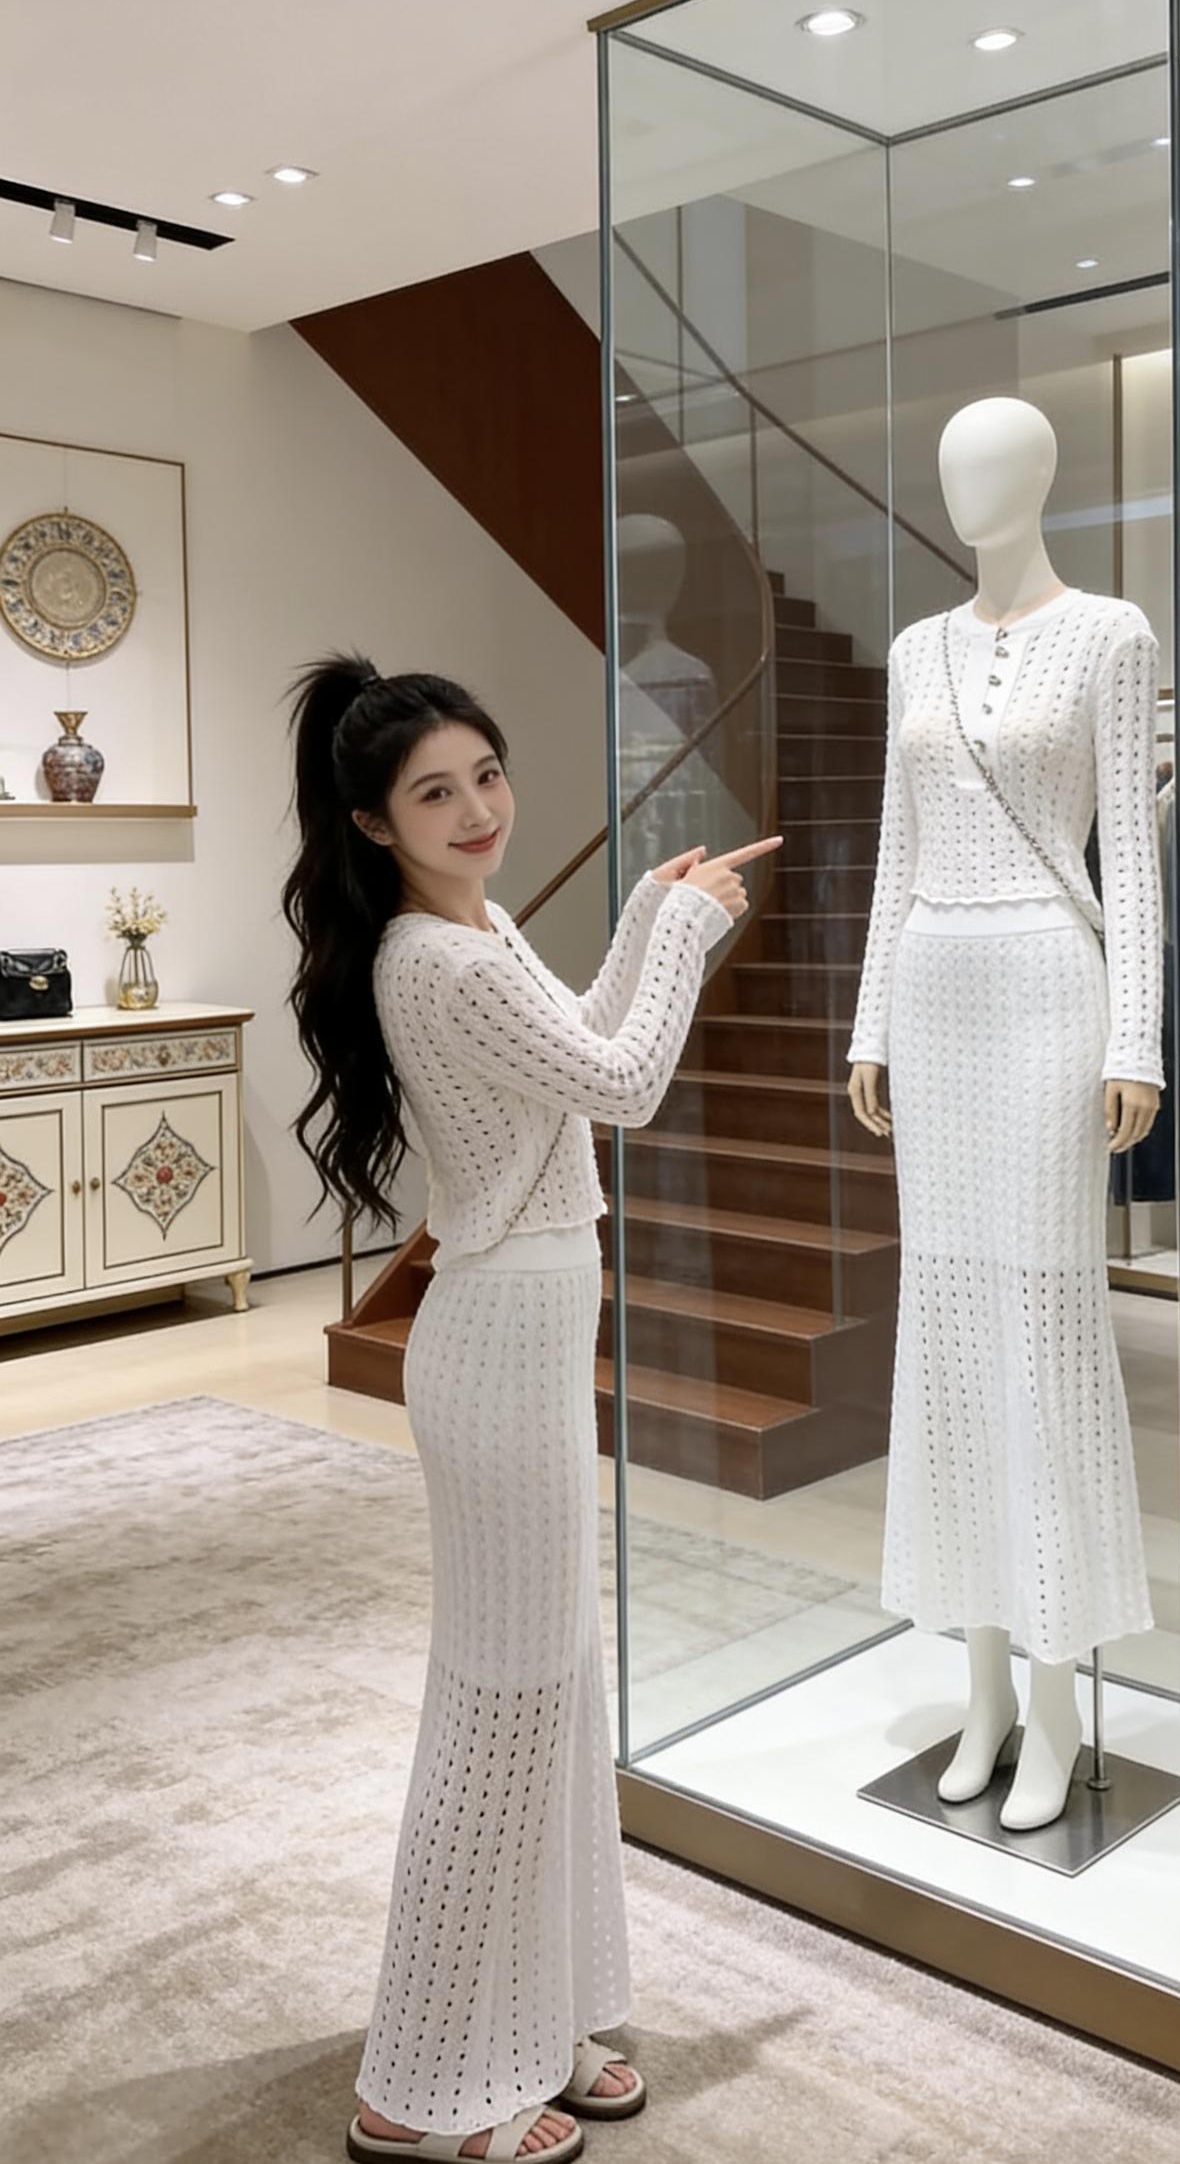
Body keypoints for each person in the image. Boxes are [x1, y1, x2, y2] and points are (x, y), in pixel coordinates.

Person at [281, 651, 781, 2162]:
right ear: (374, 823)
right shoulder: (438, 962)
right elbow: (625, 1086)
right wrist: (683, 931)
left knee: (551, 1690)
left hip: (529, 1340)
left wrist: (640, 919)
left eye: (487, 775)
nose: (478, 810)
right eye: (436, 794)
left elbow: (573, 1056)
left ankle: (533, 2022)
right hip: (499, 1351)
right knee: (502, 1707)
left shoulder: (475, 929)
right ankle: (420, 2088)